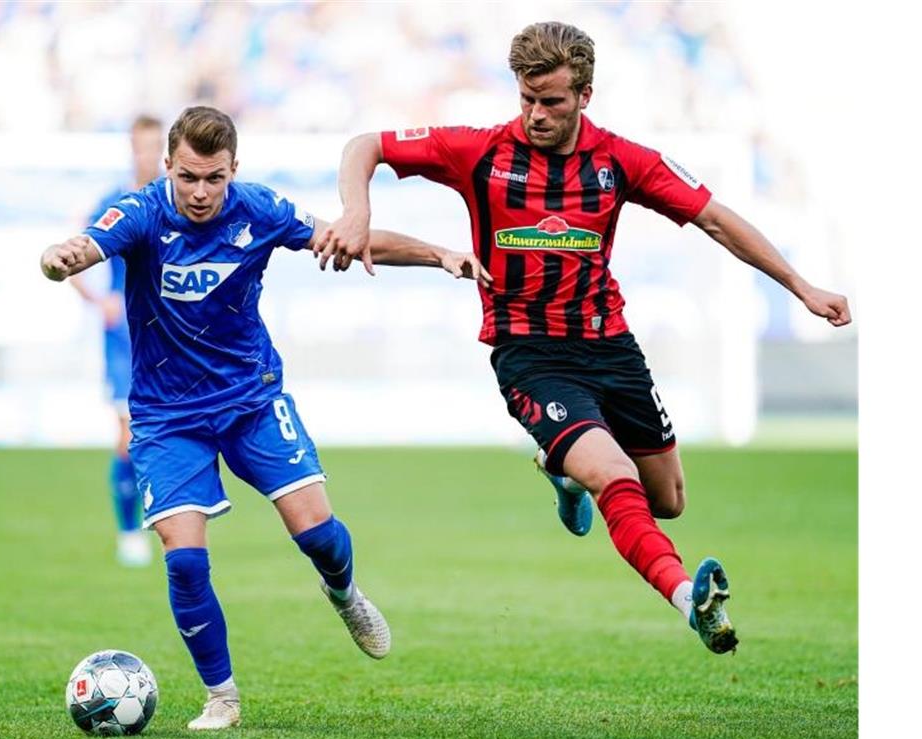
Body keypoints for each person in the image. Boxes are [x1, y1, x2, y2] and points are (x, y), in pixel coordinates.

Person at [317, 21, 851, 656]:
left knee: (668, 499)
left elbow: (714, 219)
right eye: (526, 99)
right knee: (614, 475)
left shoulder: (622, 161)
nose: (536, 115)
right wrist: (357, 211)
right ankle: (691, 598)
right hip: (529, 354)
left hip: (610, 346)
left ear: (585, 95)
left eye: (551, 102)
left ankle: (561, 473)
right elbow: (364, 145)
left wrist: (801, 285)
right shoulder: (479, 151)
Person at [40, 106, 487, 729]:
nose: (200, 192)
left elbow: (347, 238)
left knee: (317, 535)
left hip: (251, 399)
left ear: (233, 171)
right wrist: (62, 259)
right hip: (168, 417)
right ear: (167, 166)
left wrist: (439, 254)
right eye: (189, 177)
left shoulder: (260, 209)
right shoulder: (140, 211)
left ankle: (344, 593)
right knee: (185, 558)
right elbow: (89, 244)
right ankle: (222, 696)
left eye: (214, 178)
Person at [69, 114, 165, 568]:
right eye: (141, 145)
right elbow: (72, 253)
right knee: (128, 436)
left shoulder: (181, 197)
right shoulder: (114, 201)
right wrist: (97, 299)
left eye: (156, 145)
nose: (148, 154)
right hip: (126, 339)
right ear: (131, 148)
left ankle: (168, 520)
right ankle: (130, 530)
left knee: (173, 434)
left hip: (172, 336)